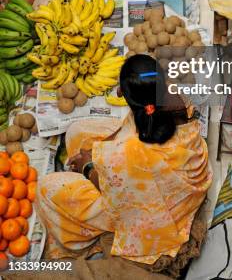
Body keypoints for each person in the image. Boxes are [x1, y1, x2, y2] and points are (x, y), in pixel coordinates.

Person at [35, 54, 212, 269]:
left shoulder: (132, 154)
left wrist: (88, 167)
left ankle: (82, 241)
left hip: (159, 211)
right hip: (162, 169)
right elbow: (130, 148)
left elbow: (118, 185)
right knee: (77, 133)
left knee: (47, 189)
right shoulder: (172, 99)